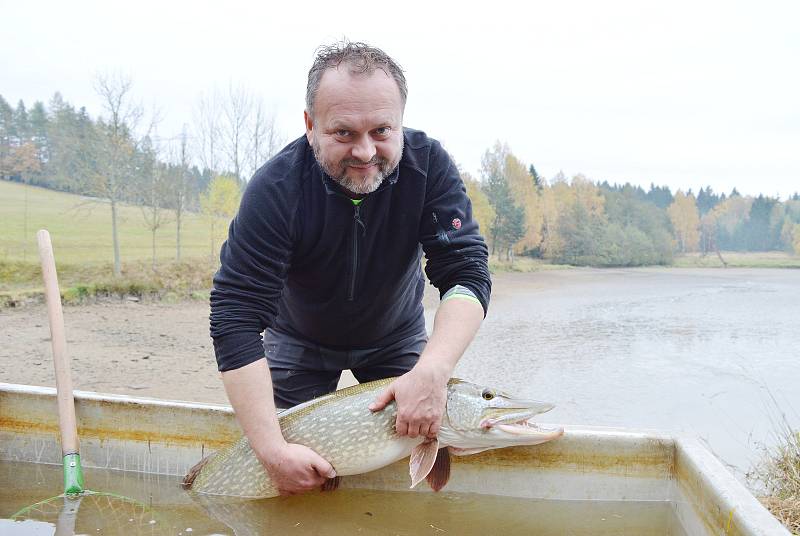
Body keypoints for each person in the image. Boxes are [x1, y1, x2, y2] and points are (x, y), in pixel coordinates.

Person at [210, 41, 491, 496]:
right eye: (343, 133)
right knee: (282, 468)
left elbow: (466, 273)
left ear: (401, 121)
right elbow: (235, 316)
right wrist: (270, 450)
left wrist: (434, 370)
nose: (364, 152)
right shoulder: (276, 189)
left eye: (382, 130)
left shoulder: (430, 167)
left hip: (394, 338)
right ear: (310, 125)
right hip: (298, 339)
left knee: (439, 430)